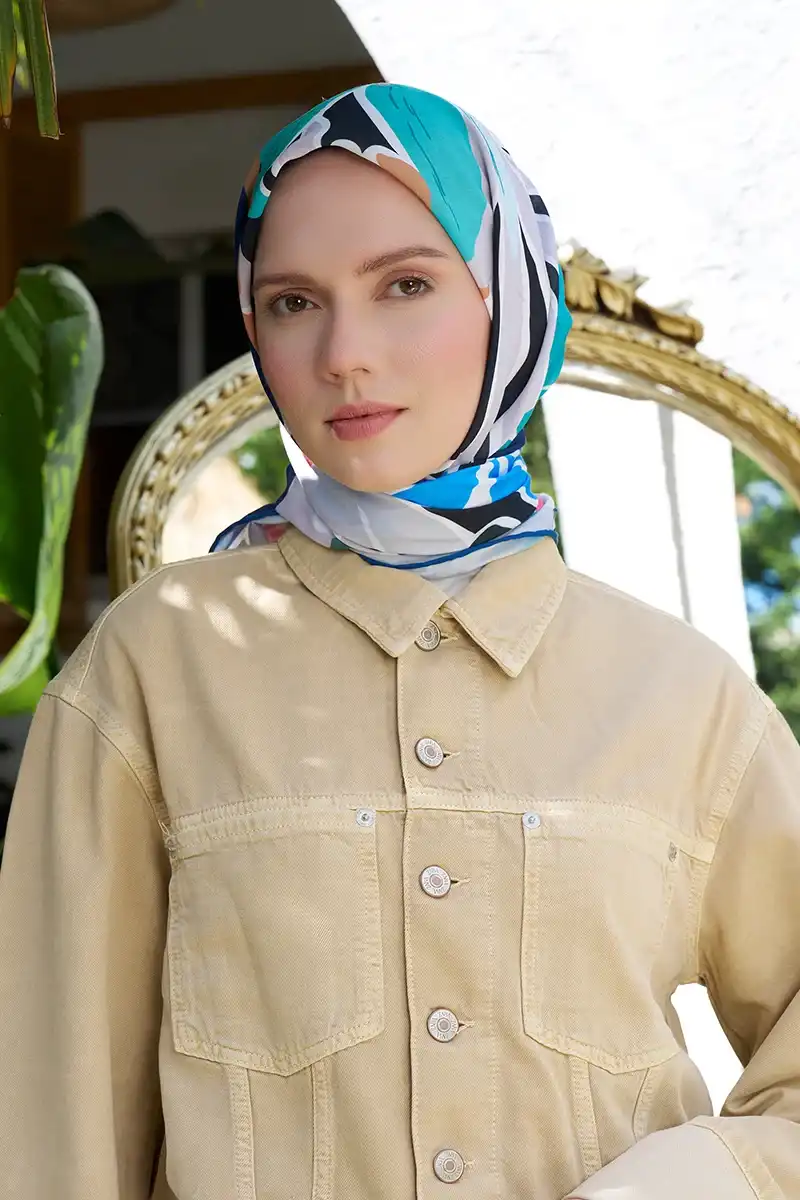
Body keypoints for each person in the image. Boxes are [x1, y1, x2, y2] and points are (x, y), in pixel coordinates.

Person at [0, 82, 798, 1200]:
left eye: (406, 285)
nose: (343, 353)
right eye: (291, 302)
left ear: (510, 301)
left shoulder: (682, 697)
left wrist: (689, 1178)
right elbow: (55, 1131)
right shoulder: (152, 668)